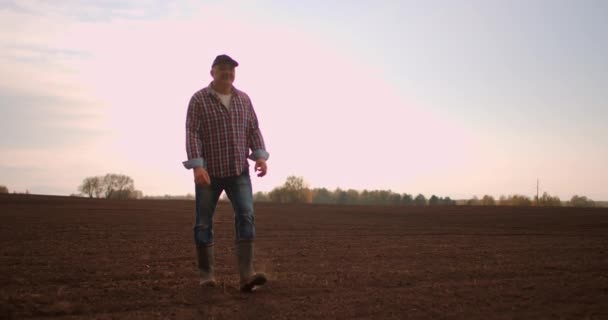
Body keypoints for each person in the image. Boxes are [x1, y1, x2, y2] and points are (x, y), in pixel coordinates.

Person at [182, 54, 269, 292]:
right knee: (203, 222)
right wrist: (197, 166)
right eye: (222, 69)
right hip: (209, 173)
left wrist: (260, 156)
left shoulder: (244, 99)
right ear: (212, 72)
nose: (227, 74)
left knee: (246, 215)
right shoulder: (199, 99)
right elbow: (192, 133)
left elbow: (253, 128)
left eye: (231, 70)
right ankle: (206, 277)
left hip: (238, 170)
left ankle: (247, 276)